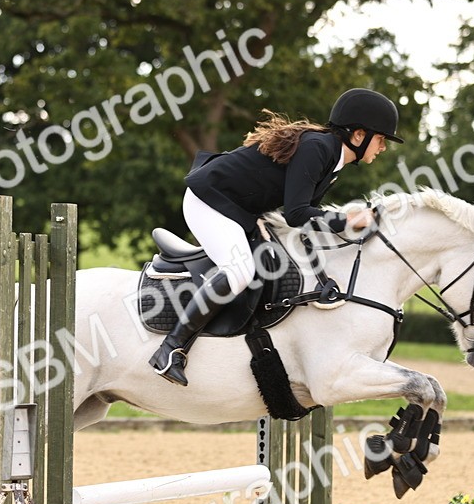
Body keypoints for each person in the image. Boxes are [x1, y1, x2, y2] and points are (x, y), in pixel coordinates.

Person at [149, 87, 404, 386]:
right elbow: (297, 215)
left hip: (238, 208)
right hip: (210, 200)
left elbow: (304, 214)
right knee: (240, 271)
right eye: (381, 139)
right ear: (359, 135)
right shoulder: (318, 149)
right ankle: (170, 350)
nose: (383, 147)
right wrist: (347, 220)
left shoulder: (332, 158)